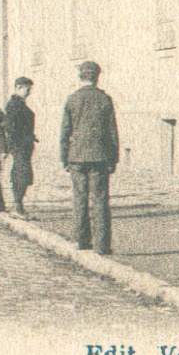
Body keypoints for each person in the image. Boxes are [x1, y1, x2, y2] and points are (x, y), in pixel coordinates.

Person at [59, 60, 118, 254]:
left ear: (80, 77)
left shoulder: (72, 99)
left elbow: (65, 131)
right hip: (100, 156)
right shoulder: (104, 99)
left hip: (76, 156)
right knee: (100, 199)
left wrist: (64, 156)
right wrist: (114, 158)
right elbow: (112, 131)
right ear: (97, 77)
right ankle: (102, 245)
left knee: (79, 198)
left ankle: (82, 240)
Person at [4, 77, 37, 216]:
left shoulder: (19, 104)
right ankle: (17, 206)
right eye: (27, 89)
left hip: (24, 145)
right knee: (21, 174)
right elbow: (11, 128)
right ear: (18, 87)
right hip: (19, 146)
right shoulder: (13, 105)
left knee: (23, 173)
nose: (29, 92)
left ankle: (18, 205)